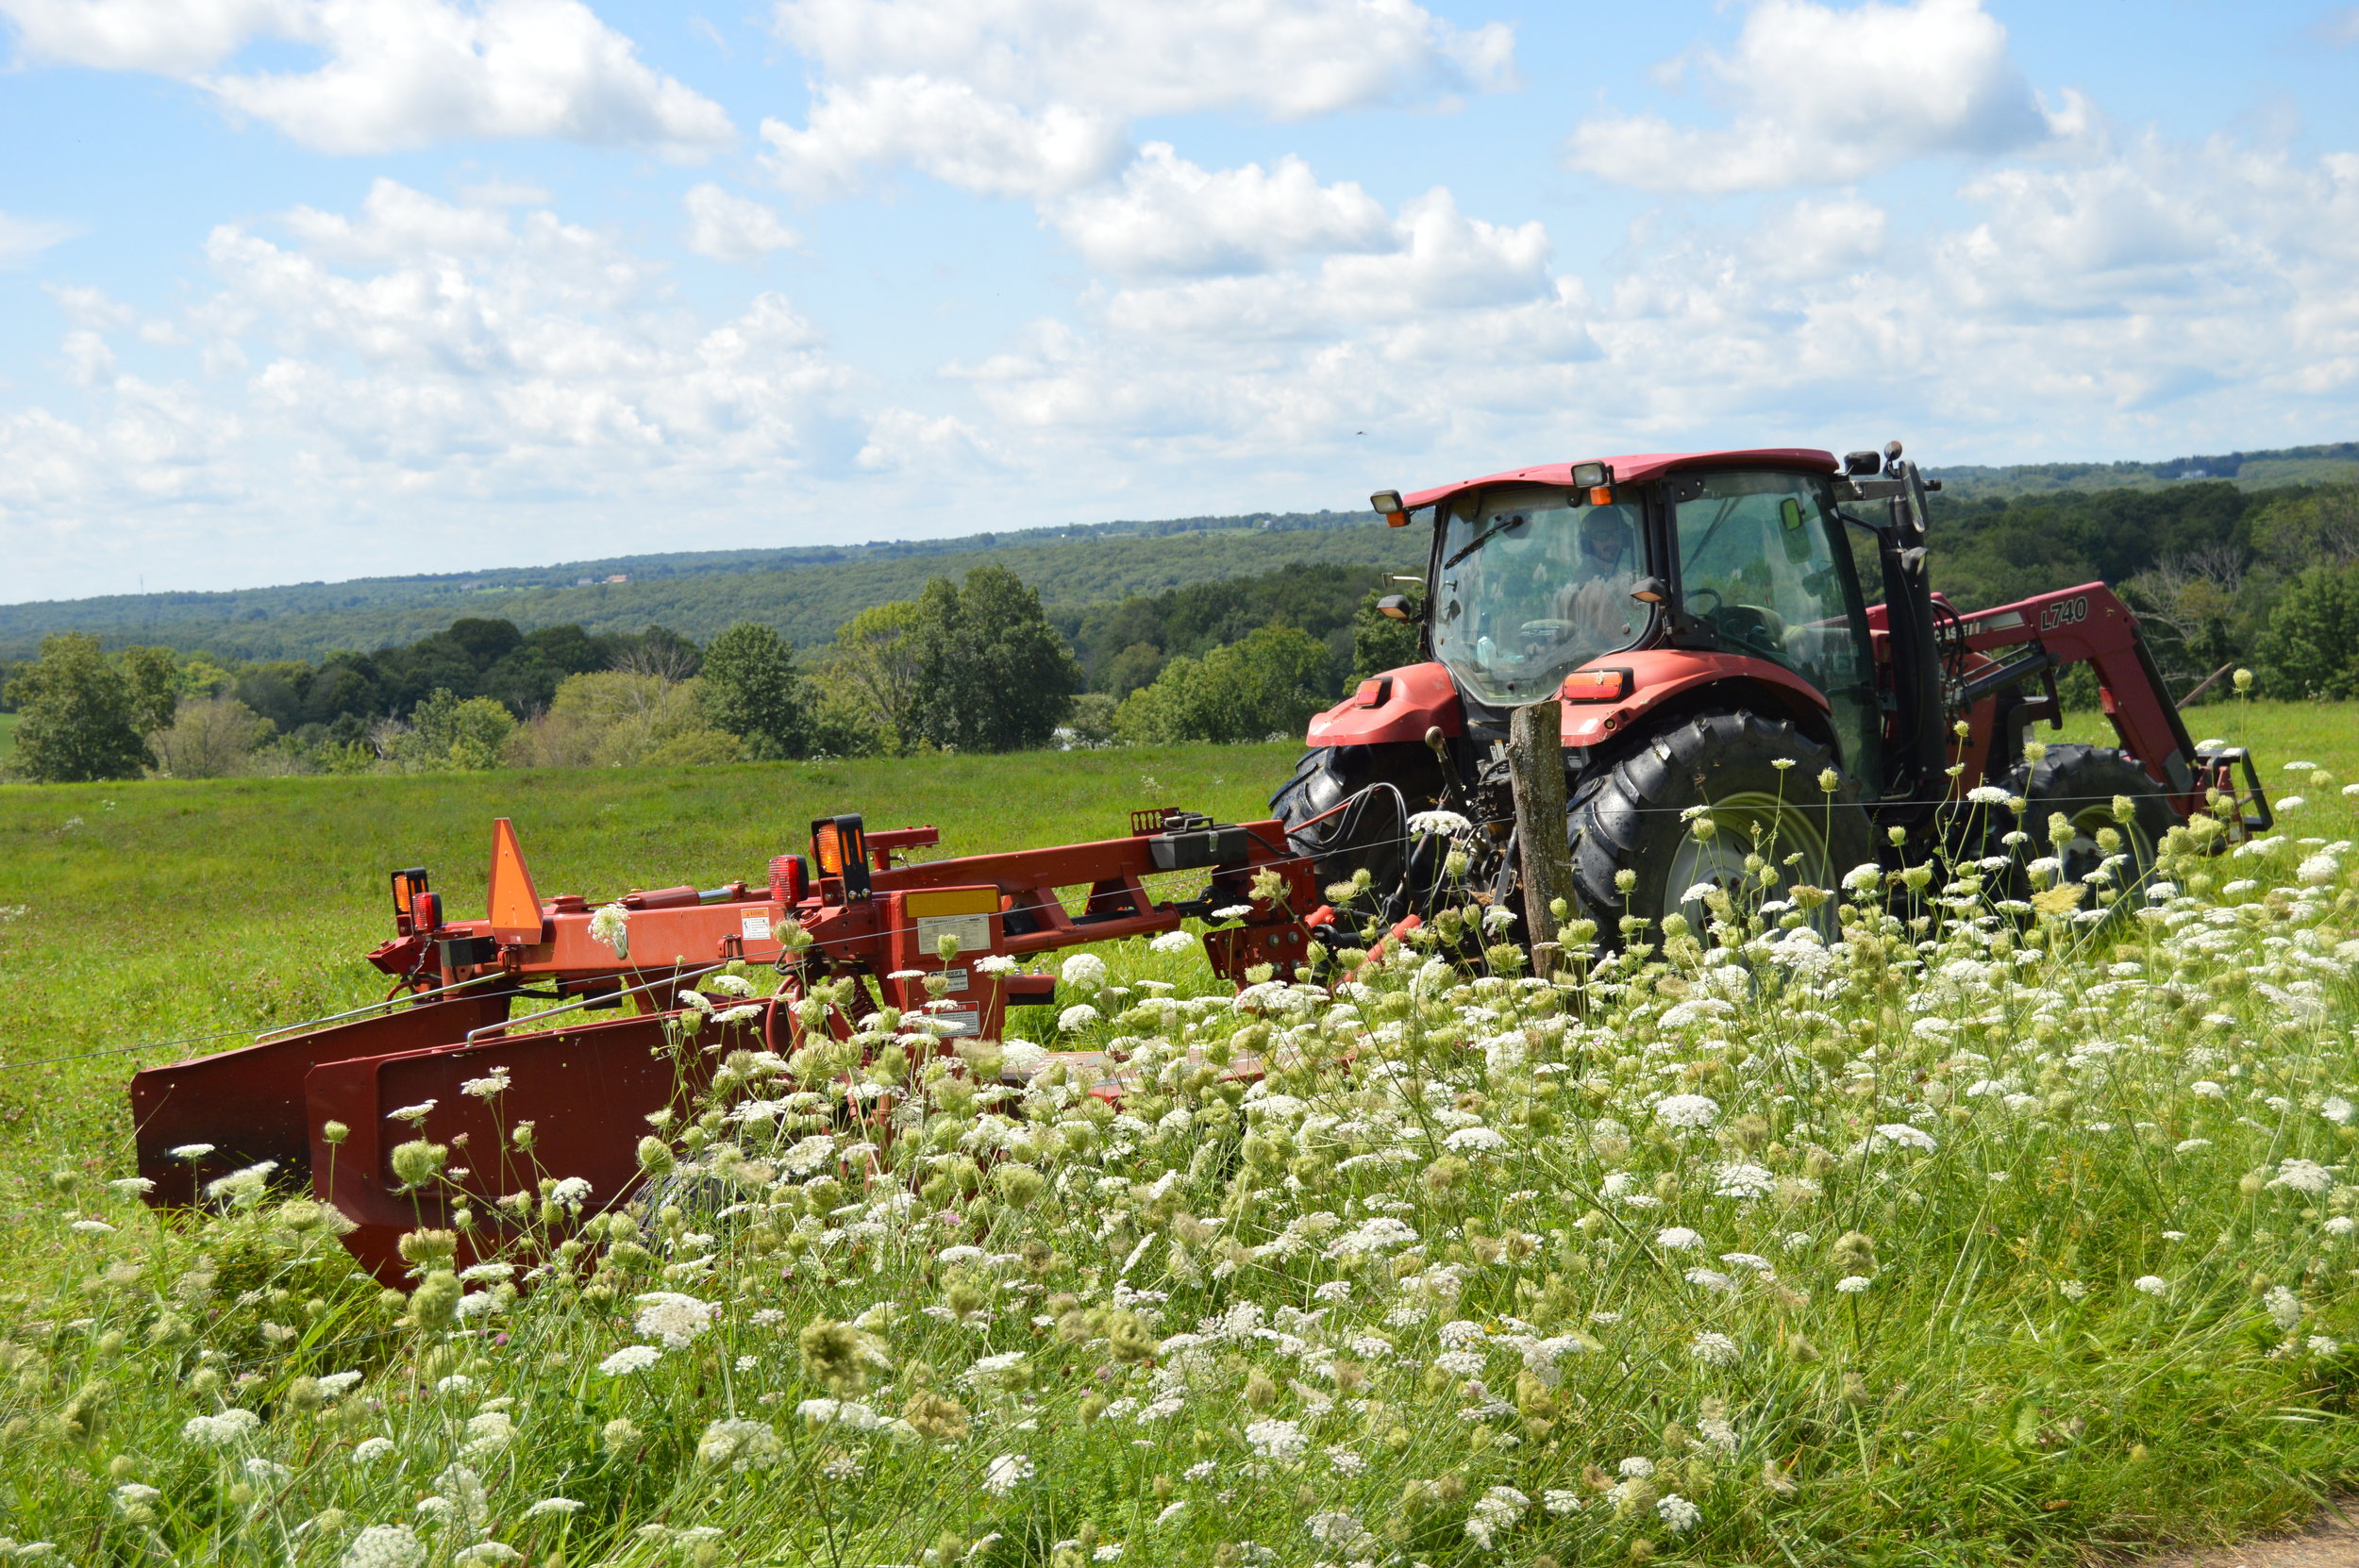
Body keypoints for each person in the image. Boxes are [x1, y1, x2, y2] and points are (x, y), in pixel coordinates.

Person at [1554, 506, 1638, 647]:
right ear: (1587, 542)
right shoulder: (1585, 586)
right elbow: (1619, 639)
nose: (1611, 542)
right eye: (1602, 535)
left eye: (1616, 534)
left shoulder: (1623, 577)